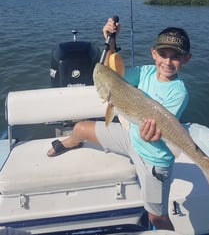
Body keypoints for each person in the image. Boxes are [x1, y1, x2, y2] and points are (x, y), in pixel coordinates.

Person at [47, 17, 192, 230]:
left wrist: (149, 134)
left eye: (175, 57)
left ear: (186, 59)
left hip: (153, 159)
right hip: (130, 138)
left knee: (156, 218)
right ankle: (72, 142)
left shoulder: (179, 92)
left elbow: (160, 128)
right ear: (154, 53)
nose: (167, 62)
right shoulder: (145, 72)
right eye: (163, 54)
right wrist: (110, 41)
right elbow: (111, 74)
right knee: (80, 128)